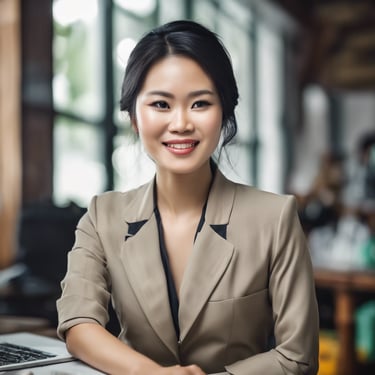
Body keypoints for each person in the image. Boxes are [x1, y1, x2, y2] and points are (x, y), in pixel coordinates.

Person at [56, 20, 319, 375]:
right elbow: (78, 323)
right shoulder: (103, 217)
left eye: (199, 104)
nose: (180, 123)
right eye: (161, 105)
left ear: (224, 112)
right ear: (134, 117)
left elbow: (297, 356)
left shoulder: (275, 218)